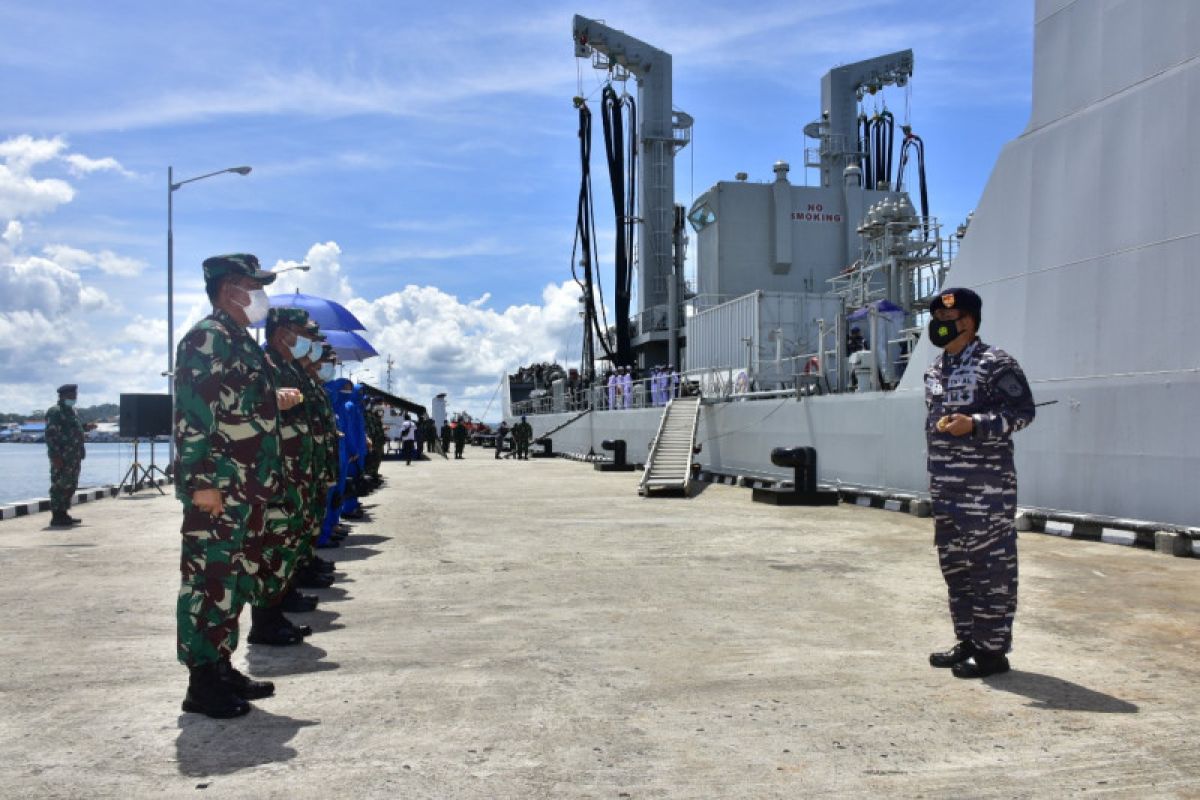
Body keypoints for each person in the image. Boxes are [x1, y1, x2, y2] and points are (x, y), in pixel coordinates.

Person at [173, 253, 301, 718]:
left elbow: (237, 405)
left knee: (233, 581)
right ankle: (202, 682)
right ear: (231, 290)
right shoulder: (208, 339)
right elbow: (193, 416)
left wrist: (273, 399)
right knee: (209, 582)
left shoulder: (239, 342)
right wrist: (201, 483)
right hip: (220, 491)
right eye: (256, 286)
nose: (262, 296)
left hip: (246, 489)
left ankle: (221, 667)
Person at [924, 287, 1035, 679]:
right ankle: (969, 640)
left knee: (991, 571)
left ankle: (992, 653)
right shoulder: (937, 369)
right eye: (935, 318)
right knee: (957, 570)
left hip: (985, 492)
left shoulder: (995, 363)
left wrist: (976, 424)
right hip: (947, 492)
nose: (936, 325)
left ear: (967, 321)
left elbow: (1022, 412)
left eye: (944, 319)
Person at [45, 383, 86, 527]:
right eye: (71, 396)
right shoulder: (55, 412)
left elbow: (72, 430)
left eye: (75, 396)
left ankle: (64, 513)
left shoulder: (72, 412)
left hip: (74, 456)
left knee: (71, 484)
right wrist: (54, 456)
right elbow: (51, 435)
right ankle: (56, 515)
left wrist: (86, 428)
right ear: (62, 396)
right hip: (61, 456)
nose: (74, 398)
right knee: (59, 484)